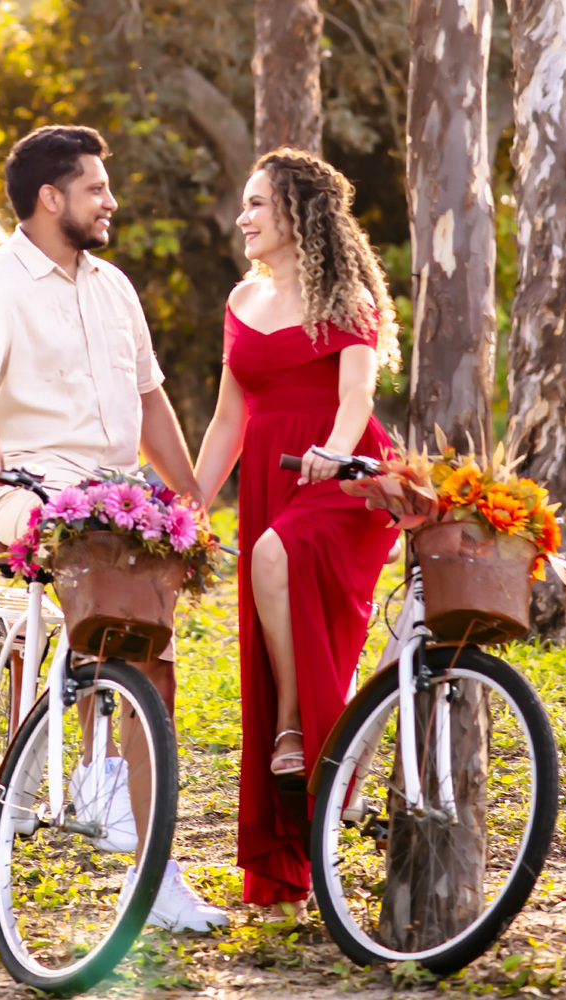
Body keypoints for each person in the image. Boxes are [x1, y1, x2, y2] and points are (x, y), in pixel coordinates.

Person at [0, 124, 226, 933]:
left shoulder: (113, 287)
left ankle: (154, 870)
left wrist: (193, 492)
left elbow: (148, 402)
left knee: (157, 657)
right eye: (97, 187)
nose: (111, 200)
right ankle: (95, 763)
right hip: (29, 481)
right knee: (99, 583)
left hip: (118, 490)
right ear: (50, 197)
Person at [194, 148, 401, 915]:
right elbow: (226, 420)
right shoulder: (241, 300)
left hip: (343, 477)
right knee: (267, 577)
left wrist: (337, 454)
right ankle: (293, 842)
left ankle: (293, 729)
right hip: (271, 472)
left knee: (276, 555)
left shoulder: (344, 295)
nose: (242, 217)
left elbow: (355, 397)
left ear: (296, 214)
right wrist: (187, 501)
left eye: (255, 204)